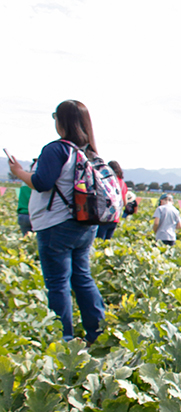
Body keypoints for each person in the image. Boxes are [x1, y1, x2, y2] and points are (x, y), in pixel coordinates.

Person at [7, 100, 106, 344]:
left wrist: (19, 172)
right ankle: (97, 333)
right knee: (82, 277)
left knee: (58, 283)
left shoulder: (57, 149)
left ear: (62, 121)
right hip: (86, 224)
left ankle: (64, 339)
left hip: (57, 225)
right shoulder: (89, 151)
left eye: (55, 116)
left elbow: (42, 182)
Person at [95, 160, 128, 239]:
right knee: (108, 241)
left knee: (99, 243)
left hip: (105, 216)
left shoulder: (108, 180)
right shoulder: (123, 184)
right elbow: (125, 202)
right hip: (115, 217)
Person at [16, 158, 35, 236]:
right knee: (35, 245)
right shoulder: (36, 183)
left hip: (22, 215)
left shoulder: (25, 181)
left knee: (26, 240)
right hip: (32, 215)